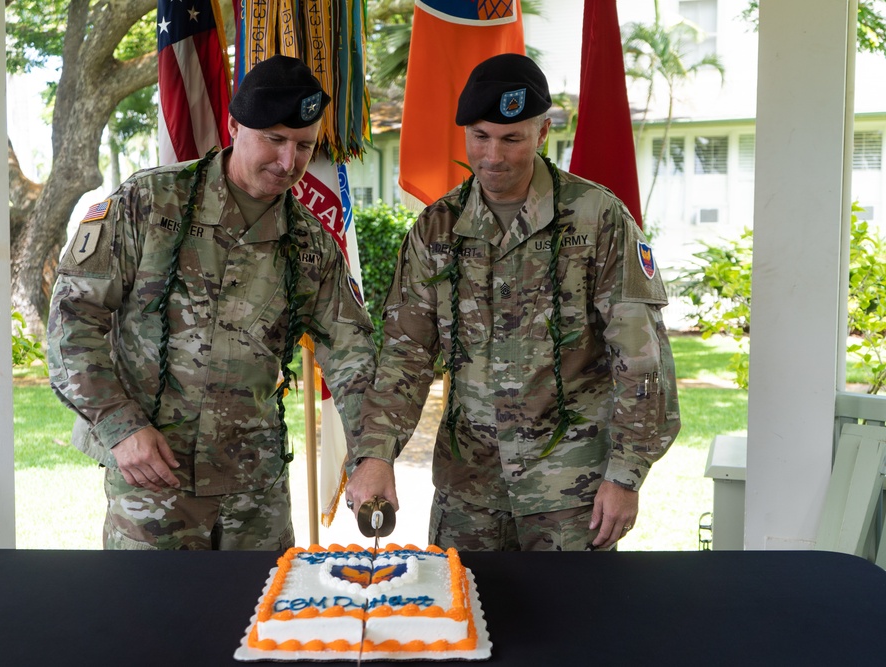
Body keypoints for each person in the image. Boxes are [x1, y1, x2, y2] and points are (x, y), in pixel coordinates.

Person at [345, 53, 680, 551]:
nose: (493, 156)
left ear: (543, 133)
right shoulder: (437, 229)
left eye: (511, 138)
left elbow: (639, 355)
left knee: (573, 626)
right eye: (480, 136)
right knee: (459, 623)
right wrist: (375, 456)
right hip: (468, 490)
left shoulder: (596, 218)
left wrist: (626, 474)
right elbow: (405, 355)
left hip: (572, 491)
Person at [47, 55, 377, 550]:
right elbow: (73, 321)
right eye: (274, 139)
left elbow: (353, 355)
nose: (289, 162)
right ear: (234, 125)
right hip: (153, 484)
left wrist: (372, 455)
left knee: (262, 623)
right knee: (149, 624)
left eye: (304, 146)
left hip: (256, 497)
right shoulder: (149, 203)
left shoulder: (310, 243)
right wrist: (119, 426)